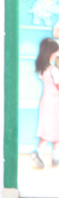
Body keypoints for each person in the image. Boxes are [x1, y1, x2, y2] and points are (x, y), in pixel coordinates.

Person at [32, 38, 59, 169]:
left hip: (46, 100)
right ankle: (50, 155)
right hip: (55, 101)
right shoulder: (53, 70)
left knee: (49, 127)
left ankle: (53, 156)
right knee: (54, 127)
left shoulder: (42, 69)